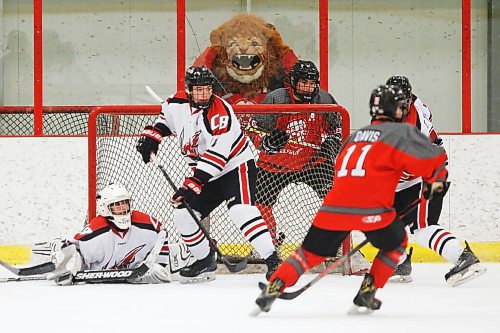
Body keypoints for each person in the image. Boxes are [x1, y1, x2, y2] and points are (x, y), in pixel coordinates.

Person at [255, 84, 449, 314]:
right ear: (399, 109)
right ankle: (368, 291)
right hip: (373, 208)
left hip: (333, 206)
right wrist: (437, 183)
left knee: (308, 253)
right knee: (397, 245)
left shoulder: (356, 136)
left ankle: (275, 285)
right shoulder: (402, 132)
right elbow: (435, 160)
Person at [136, 66, 281, 283]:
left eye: (207, 89)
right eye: (198, 90)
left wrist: (191, 184)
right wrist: (153, 136)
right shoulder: (176, 102)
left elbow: (218, 155)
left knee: (241, 211)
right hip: (206, 174)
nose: (204, 95)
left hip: (234, 167)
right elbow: (166, 120)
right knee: (184, 215)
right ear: (189, 90)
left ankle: (273, 261)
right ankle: (205, 260)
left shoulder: (221, 113)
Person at [386, 75, 486, 286]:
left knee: (423, 228)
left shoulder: (413, 130)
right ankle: (401, 262)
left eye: (401, 104)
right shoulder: (410, 108)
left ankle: (463, 257)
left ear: (408, 101)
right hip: (418, 174)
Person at [248, 60, 342, 248]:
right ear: (293, 82)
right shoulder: (276, 99)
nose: (308, 88)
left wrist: (332, 144)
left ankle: (338, 246)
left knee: (337, 199)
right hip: (274, 165)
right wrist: (267, 143)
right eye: (303, 83)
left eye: (312, 83)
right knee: (259, 204)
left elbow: (338, 129)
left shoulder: (324, 100)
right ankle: (268, 246)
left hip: (313, 163)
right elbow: (254, 129)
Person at [46, 183, 195, 285]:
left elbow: (162, 235)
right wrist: (69, 262)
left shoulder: (148, 225)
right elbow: (74, 248)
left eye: (124, 203)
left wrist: (159, 265)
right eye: (116, 205)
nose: (122, 207)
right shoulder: (95, 230)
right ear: (105, 208)